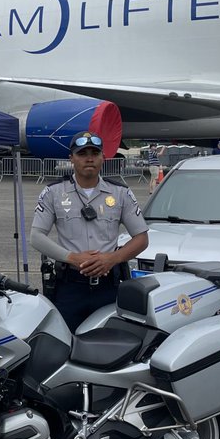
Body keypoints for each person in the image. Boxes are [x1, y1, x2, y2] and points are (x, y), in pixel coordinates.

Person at [31, 133, 149, 333]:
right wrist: (72, 258)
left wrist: (112, 259)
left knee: (109, 344)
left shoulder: (120, 192)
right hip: (69, 287)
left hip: (108, 287)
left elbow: (141, 238)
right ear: (71, 158)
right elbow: (36, 236)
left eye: (94, 153)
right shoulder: (53, 192)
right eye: (82, 153)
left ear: (103, 157)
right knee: (65, 343)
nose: (89, 158)